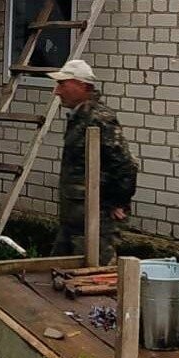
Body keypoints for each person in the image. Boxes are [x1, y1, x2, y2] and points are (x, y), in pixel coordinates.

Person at [49, 59, 138, 265]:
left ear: (82, 85)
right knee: (56, 270)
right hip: (75, 219)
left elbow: (126, 165)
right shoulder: (79, 116)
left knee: (94, 275)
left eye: (62, 84)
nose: (57, 92)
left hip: (96, 222)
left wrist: (119, 202)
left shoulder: (100, 118)